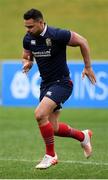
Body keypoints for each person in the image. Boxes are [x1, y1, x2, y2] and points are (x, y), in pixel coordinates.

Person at [22, 8, 96, 169]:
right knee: (53, 128)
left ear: (41, 23)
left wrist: (88, 67)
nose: (28, 30)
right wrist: (27, 63)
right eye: (26, 27)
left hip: (62, 83)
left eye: (31, 27)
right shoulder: (28, 38)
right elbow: (26, 55)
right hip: (46, 84)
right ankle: (83, 136)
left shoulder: (57, 35)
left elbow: (82, 41)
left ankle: (51, 155)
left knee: (40, 114)